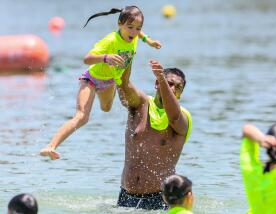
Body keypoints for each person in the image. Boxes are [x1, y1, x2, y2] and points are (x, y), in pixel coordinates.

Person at [40, 6, 161, 160]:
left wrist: (149, 41)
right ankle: (51, 146)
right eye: (130, 27)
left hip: (109, 81)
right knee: (82, 117)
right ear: (120, 24)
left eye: (138, 28)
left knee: (106, 108)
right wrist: (105, 57)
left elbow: (140, 34)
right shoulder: (110, 40)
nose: (134, 32)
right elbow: (86, 58)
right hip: (91, 79)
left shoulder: (135, 35)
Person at [116, 59, 192, 210]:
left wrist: (163, 80)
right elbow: (124, 85)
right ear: (156, 83)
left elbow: (173, 116)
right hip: (125, 196)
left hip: (159, 199)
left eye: (178, 87)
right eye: (169, 83)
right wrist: (126, 58)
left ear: (180, 94)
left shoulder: (183, 117)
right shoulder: (141, 104)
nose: (173, 88)